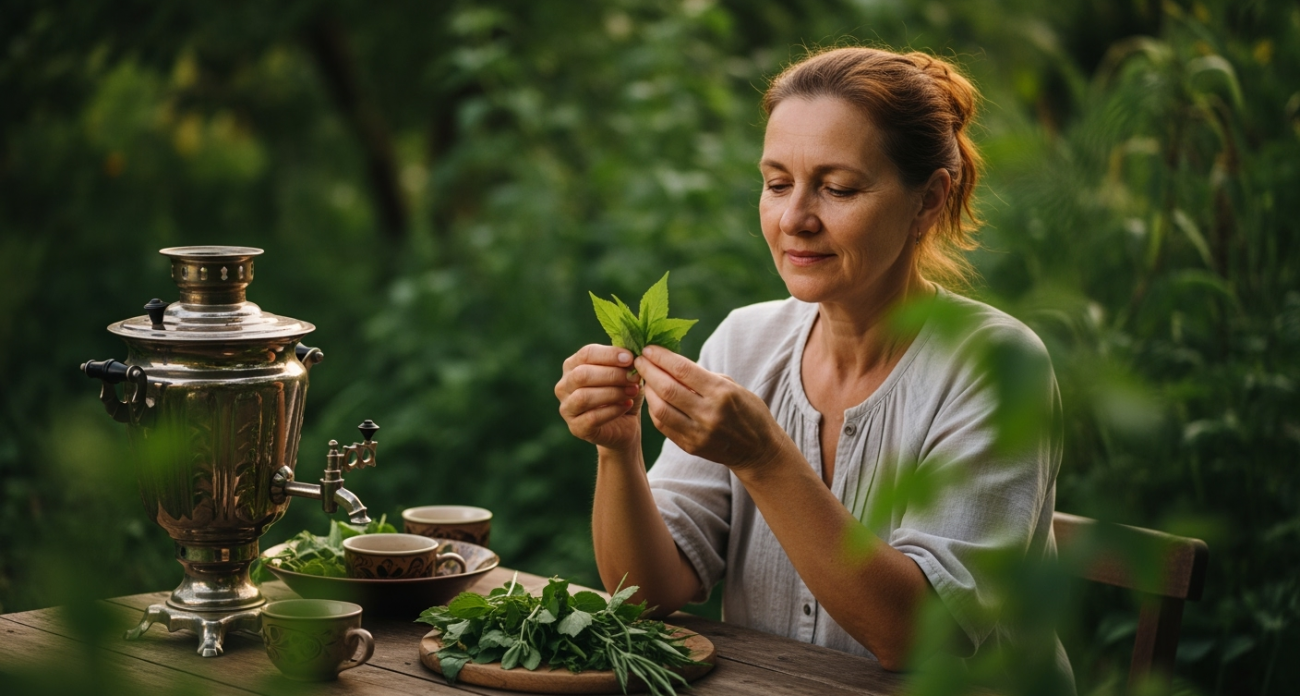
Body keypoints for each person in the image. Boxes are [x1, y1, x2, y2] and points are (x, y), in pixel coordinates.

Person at [555, 46, 1072, 683]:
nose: (795, 218)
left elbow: (915, 638)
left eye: (838, 188)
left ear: (928, 200)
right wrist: (618, 449)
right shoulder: (745, 342)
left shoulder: (996, 366)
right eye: (777, 184)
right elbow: (649, 592)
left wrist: (765, 458)